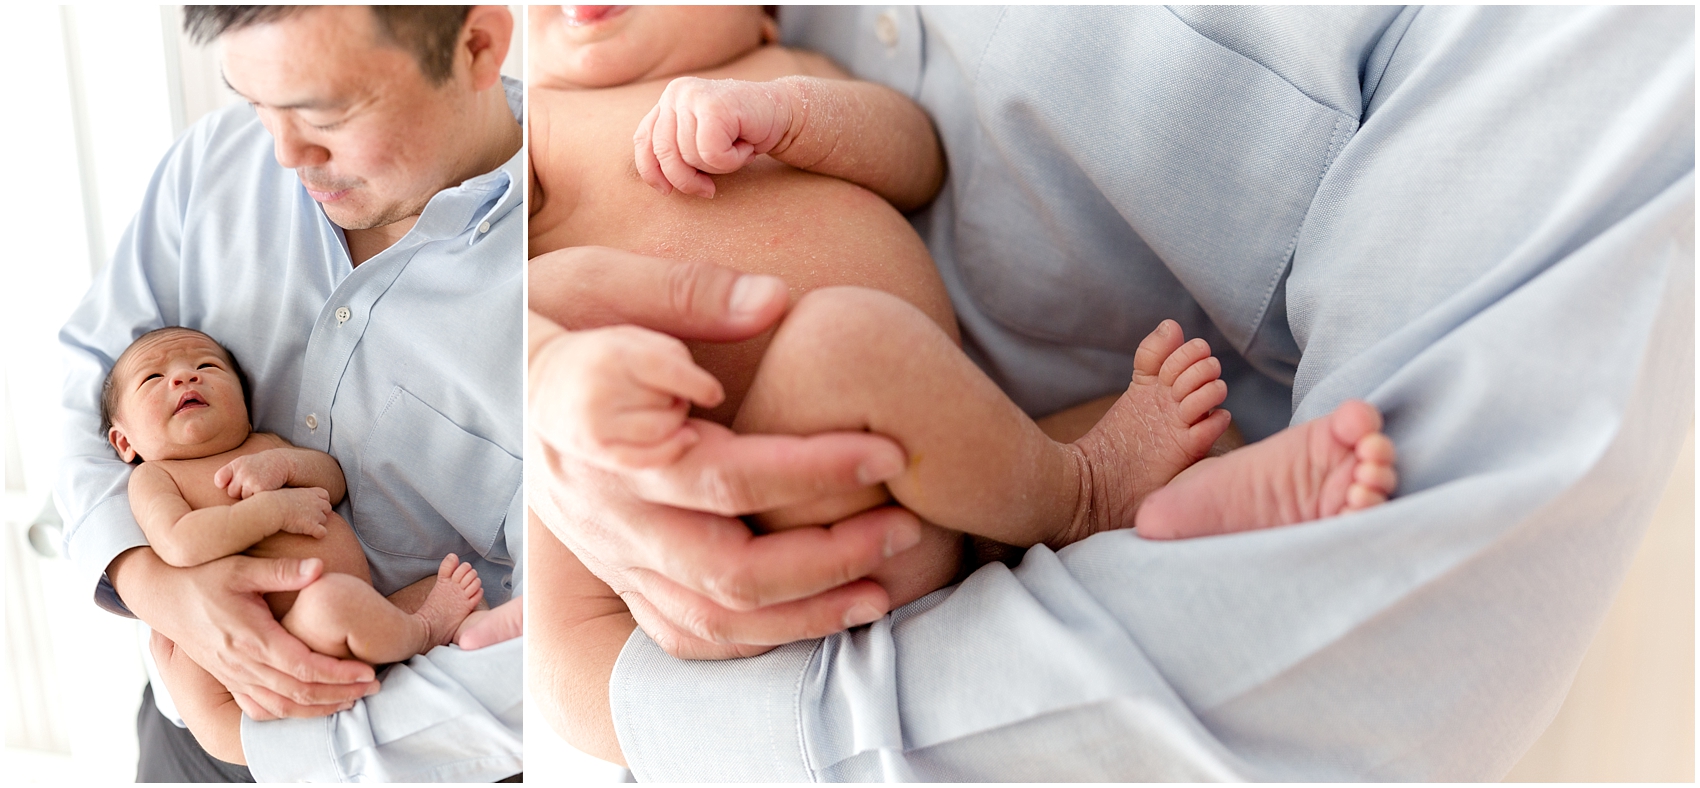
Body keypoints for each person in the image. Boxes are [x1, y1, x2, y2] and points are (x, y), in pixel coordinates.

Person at [526, 5, 1695, 781]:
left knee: (977, 388)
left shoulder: (768, 64)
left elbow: (911, 152)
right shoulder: (530, 136)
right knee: (847, 363)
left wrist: (783, 116)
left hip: (942, 476)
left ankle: (1131, 492)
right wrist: (527, 364)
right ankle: (1083, 488)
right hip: (699, 511)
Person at [56, 6, 524, 782]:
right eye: (252, 100)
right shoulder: (212, 165)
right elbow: (86, 387)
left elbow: (549, 652)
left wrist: (269, 743)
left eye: (323, 111)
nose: (282, 155)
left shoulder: (564, 258)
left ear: (476, 45)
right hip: (184, 736)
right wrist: (154, 582)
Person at [103, 326, 513, 764]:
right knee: (333, 603)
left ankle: (467, 637)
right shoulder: (157, 477)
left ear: (245, 410)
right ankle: (427, 629)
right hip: (284, 638)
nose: (185, 377)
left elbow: (332, 481)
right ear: (125, 442)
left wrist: (284, 465)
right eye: (153, 378)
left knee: (448, 583)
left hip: (368, 610)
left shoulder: (264, 446)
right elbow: (179, 542)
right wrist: (271, 513)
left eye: (206, 366)